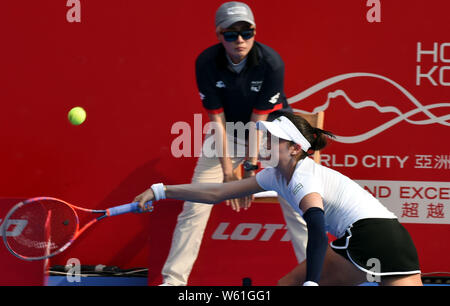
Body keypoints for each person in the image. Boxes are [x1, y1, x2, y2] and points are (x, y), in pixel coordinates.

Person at [135, 111, 423, 286]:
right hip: (396, 238)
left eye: (273, 139)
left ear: (295, 148)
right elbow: (215, 193)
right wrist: (162, 190)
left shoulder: (303, 177)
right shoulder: (274, 175)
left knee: (289, 284)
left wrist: (311, 279)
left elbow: (317, 229)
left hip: (367, 236)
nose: (264, 143)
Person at [158, 1, 309, 286]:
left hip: (275, 133)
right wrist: (229, 175)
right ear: (219, 35)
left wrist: (250, 173)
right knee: (195, 204)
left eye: (246, 32)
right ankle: (173, 282)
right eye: (231, 34)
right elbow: (217, 121)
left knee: (300, 201)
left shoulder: (271, 63)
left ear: (255, 32)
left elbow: (258, 121)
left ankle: (318, 277)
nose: (240, 40)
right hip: (226, 134)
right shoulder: (206, 63)